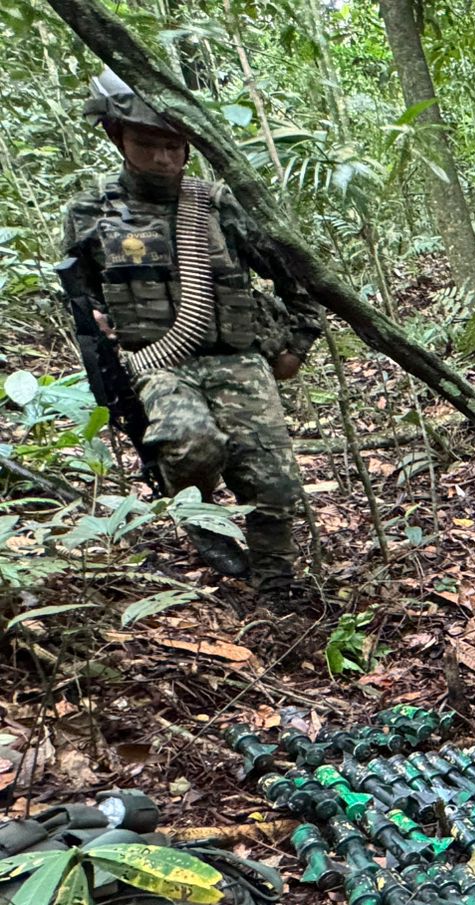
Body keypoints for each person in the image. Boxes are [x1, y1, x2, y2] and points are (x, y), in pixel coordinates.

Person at [62, 69, 321, 609]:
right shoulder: (92, 214)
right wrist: (102, 330)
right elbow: (81, 296)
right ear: (117, 137)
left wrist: (298, 342)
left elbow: (295, 272)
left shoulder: (217, 204)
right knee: (191, 442)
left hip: (238, 357)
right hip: (157, 362)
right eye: (147, 144)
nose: (163, 159)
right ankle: (197, 516)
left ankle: (277, 586)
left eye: (174, 146)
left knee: (274, 483)